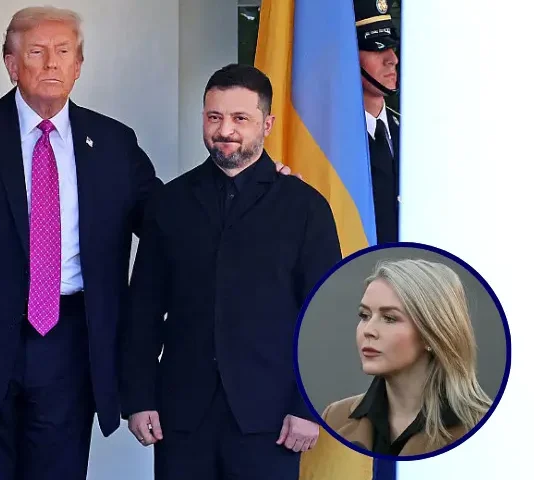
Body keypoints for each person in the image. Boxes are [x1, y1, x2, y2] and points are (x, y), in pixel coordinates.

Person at [0, 7, 293, 479]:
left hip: (71, 345)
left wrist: (261, 190)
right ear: (10, 63)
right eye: (37, 52)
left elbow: (173, 221)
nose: (51, 64)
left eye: (63, 52)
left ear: (79, 66)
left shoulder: (112, 142)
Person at [119, 64, 343, 480]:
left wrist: (307, 407)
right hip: (181, 416)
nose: (226, 130)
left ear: (267, 124)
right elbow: (143, 310)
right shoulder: (170, 203)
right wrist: (138, 397)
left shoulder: (305, 207)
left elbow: (327, 314)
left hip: (273, 419)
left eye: (241, 118)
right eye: (214, 117)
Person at [321, 258, 492, 457]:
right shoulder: (335, 416)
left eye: (390, 318)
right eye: (364, 315)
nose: (368, 330)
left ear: (432, 333)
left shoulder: (485, 426)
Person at [354, 0, 400, 244]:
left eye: (391, 47)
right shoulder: (328, 143)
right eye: (377, 48)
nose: (392, 59)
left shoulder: (411, 134)